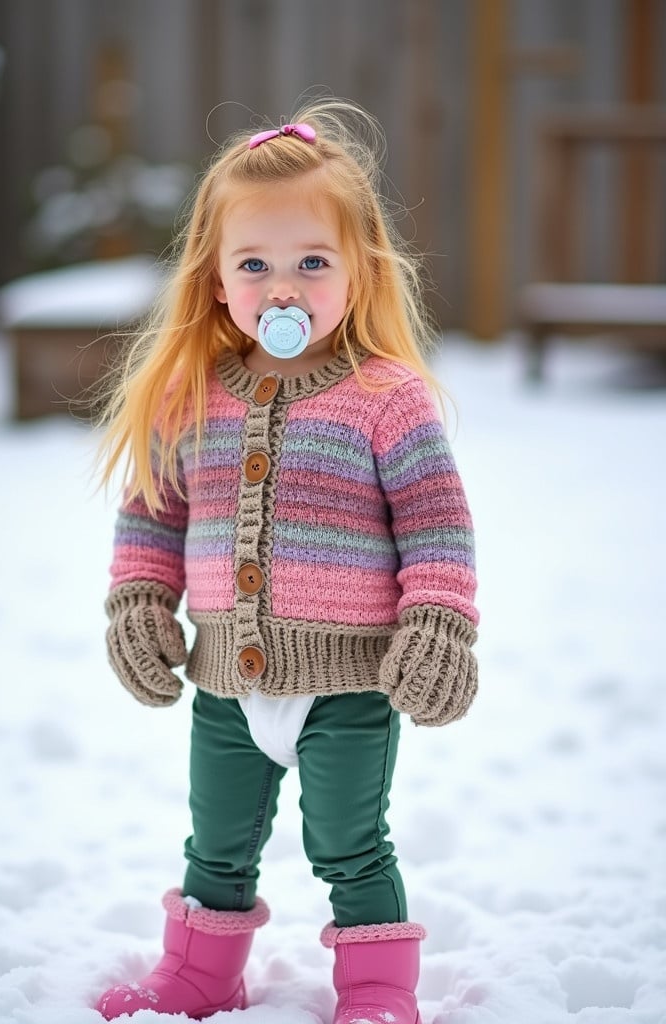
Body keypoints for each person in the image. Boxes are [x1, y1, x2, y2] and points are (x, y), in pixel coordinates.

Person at [93, 97, 478, 1024]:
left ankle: (378, 992)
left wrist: (439, 623)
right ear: (216, 278)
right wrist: (139, 602)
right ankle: (199, 974)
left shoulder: (385, 399)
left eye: (313, 262)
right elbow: (153, 509)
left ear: (358, 267)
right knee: (216, 842)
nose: (283, 288)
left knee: (350, 843)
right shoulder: (190, 396)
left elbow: (437, 523)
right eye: (254, 264)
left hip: (350, 684)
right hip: (227, 679)